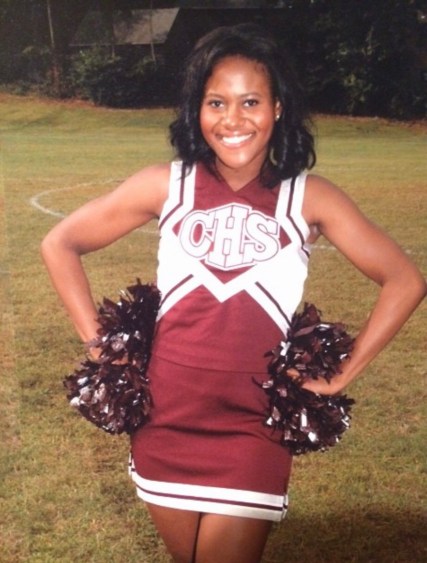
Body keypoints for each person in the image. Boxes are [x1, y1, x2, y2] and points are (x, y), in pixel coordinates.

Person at [41, 23, 426, 563]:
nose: (233, 119)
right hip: (165, 419)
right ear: (197, 110)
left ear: (278, 109)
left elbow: (405, 280)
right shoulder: (166, 185)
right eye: (216, 102)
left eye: (251, 102)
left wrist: (341, 375)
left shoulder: (309, 197)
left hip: (252, 426)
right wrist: (99, 345)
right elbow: (61, 243)